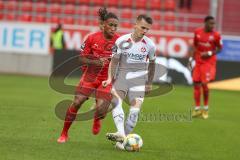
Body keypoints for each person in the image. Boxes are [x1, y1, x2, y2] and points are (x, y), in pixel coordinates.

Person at [57, 7, 119, 143]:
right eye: (111, 25)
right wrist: (97, 61)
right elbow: (81, 58)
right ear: (104, 25)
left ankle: (97, 117)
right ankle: (64, 133)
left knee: (102, 111)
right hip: (89, 78)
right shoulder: (92, 38)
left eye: (116, 26)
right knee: (77, 102)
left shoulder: (119, 41)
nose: (114, 28)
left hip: (106, 80)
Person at [102, 14, 156, 150]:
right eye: (143, 27)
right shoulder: (121, 41)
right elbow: (114, 61)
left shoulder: (150, 45)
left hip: (139, 80)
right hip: (122, 77)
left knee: (134, 113)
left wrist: (149, 82)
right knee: (116, 101)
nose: (144, 31)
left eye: (147, 29)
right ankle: (120, 132)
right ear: (135, 25)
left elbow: (152, 64)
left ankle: (122, 140)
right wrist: (109, 78)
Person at [189, 16, 222, 119]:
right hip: (198, 62)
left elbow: (220, 48)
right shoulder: (197, 32)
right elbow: (194, 46)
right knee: (196, 84)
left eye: (213, 24)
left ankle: (206, 109)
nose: (212, 26)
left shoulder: (216, 35)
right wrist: (191, 59)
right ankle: (197, 109)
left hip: (209, 63)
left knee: (204, 83)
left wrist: (210, 52)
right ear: (205, 23)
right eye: (210, 23)